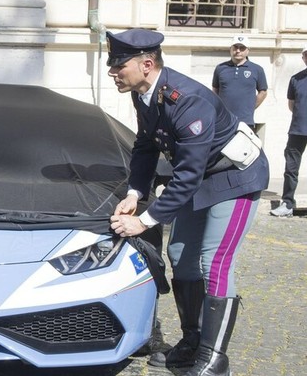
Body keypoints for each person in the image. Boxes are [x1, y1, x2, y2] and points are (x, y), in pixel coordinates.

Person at [107, 29, 268, 376]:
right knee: (180, 254)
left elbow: (187, 175)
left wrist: (143, 221)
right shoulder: (143, 93)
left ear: (146, 65)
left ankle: (215, 357)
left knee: (215, 260)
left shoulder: (187, 100)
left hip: (236, 178)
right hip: (199, 178)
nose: (112, 72)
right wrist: (135, 193)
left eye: (119, 65)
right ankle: (193, 340)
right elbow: (146, 145)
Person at [272, 45, 307, 217]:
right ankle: (287, 203)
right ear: (303, 58)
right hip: (297, 130)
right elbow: (292, 105)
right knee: (291, 169)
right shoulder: (295, 79)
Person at [211, 35, 267, 128]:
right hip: (223, 120)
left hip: (245, 121)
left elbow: (263, 92)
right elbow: (215, 90)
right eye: (235, 47)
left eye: (242, 48)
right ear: (230, 49)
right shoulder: (220, 68)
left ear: (247, 50)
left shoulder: (257, 69)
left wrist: (250, 107)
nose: (238, 51)